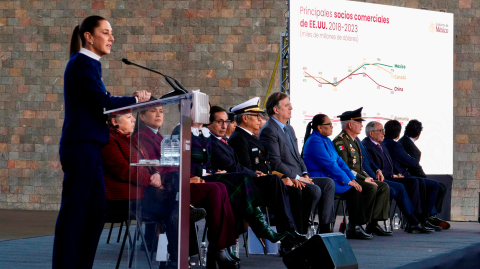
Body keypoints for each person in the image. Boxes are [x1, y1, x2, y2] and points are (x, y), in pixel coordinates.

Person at [53, 16, 151, 269]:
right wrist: (136, 100)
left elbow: (101, 101)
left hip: (91, 145)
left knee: (96, 210)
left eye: (112, 33)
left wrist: (131, 101)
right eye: (106, 32)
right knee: (75, 210)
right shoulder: (82, 63)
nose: (111, 38)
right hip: (81, 144)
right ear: (89, 36)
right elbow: (101, 100)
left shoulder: (89, 64)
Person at [225, 98, 308, 250]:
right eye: (256, 116)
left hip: (264, 183)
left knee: (296, 190)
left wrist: (284, 177)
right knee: (279, 184)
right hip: (250, 188)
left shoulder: (250, 137)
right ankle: (289, 235)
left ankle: (294, 235)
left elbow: (267, 166)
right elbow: (245, 170)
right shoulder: (239, 139)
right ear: (245, 118)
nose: (260, 119)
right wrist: (277, 179)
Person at [205, 106, 292, 244]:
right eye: (219, 122)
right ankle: (281, 231)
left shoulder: (224, 141)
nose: (224, 126)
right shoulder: (213, 141)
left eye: (226, 122)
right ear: (208, 123)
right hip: (227, 185)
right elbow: (232, 165)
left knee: (284, 185)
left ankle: (288, 231)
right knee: (272, 182)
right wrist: (254, 174)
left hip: (237, 182)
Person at [258, 93, 335, 242]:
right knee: (313, 190)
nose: (291, 108)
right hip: (285, 178)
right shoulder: (269, 130)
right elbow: (275, 162)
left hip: (299, 175)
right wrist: (297, 178)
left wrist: (305, 174)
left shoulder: (289, 128)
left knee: (327, 184)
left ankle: (325, 230)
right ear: (276, 109)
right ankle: (300, 232)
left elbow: (298, 157)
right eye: (287, 105)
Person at [302, 114, 372, 239]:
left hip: (331, 176)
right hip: (320, 178)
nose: (331, 127)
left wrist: (352, 179)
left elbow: (340, 161)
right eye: (328, 124)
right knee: (353, 190)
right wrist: (346, 181)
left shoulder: (327, 140)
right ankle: (352, 227)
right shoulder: (314, 141)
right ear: (319, 127)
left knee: (357, 188)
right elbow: (329, 164)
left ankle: (356, 225)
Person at [362, 121, 434, 233]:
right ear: (371, 133)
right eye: (380, 131)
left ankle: (417, 218)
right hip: (381, 178)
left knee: (414, 181)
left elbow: (388, 163)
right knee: (400, 188)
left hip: (390, 176)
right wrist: (391, 175)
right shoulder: (367, 145)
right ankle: (413, 221)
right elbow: (372, 167)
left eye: (383, 130)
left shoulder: (380, 144)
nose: (383, 133)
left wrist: (396, 173)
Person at [332, 107, 392, 237]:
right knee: (370, 188)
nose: (361, 125)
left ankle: (373, 223)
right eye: (359, 123)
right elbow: (345, 167)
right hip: (346, 179)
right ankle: (355, 225)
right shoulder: (341, 141)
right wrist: (363, 178)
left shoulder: (355, 141)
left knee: (383, 186)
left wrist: (367, 176)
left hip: (356, 177)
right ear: (350, 124)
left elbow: (360, 166)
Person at [383, 120, 448, 230]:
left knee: (426, 183)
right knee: (430, 184)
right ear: (398, 134)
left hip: (398, 175)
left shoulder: (385, 144)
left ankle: (424, 217)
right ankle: (423, 217)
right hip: (402, 177)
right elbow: (413, 162)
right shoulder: (396, 145)